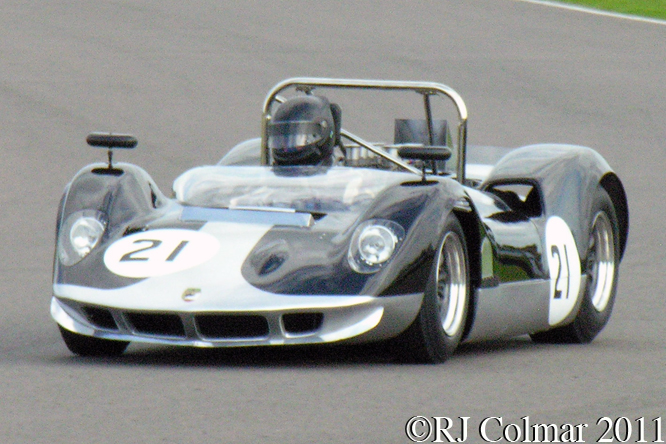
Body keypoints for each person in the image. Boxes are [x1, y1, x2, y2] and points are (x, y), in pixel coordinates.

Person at [267, 95, 342, 166]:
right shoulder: (268, 175)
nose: (287, 150)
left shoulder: (339, 176)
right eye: (282, 143)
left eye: (296, 144)